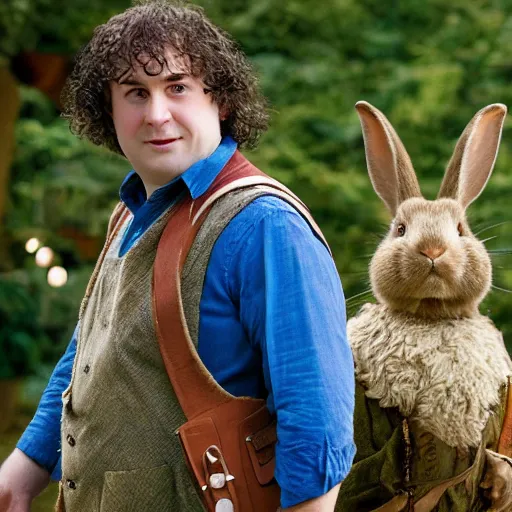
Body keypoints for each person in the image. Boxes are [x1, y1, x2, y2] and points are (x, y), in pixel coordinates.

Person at [0, 1, 356, 510]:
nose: (157, 113)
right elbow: (91, 354)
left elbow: (316, 420)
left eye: (177, 87)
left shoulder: (266, 226)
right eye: (135, 94)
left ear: (221, 100)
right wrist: (27, 464)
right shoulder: (129, 214)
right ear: (110, 110)